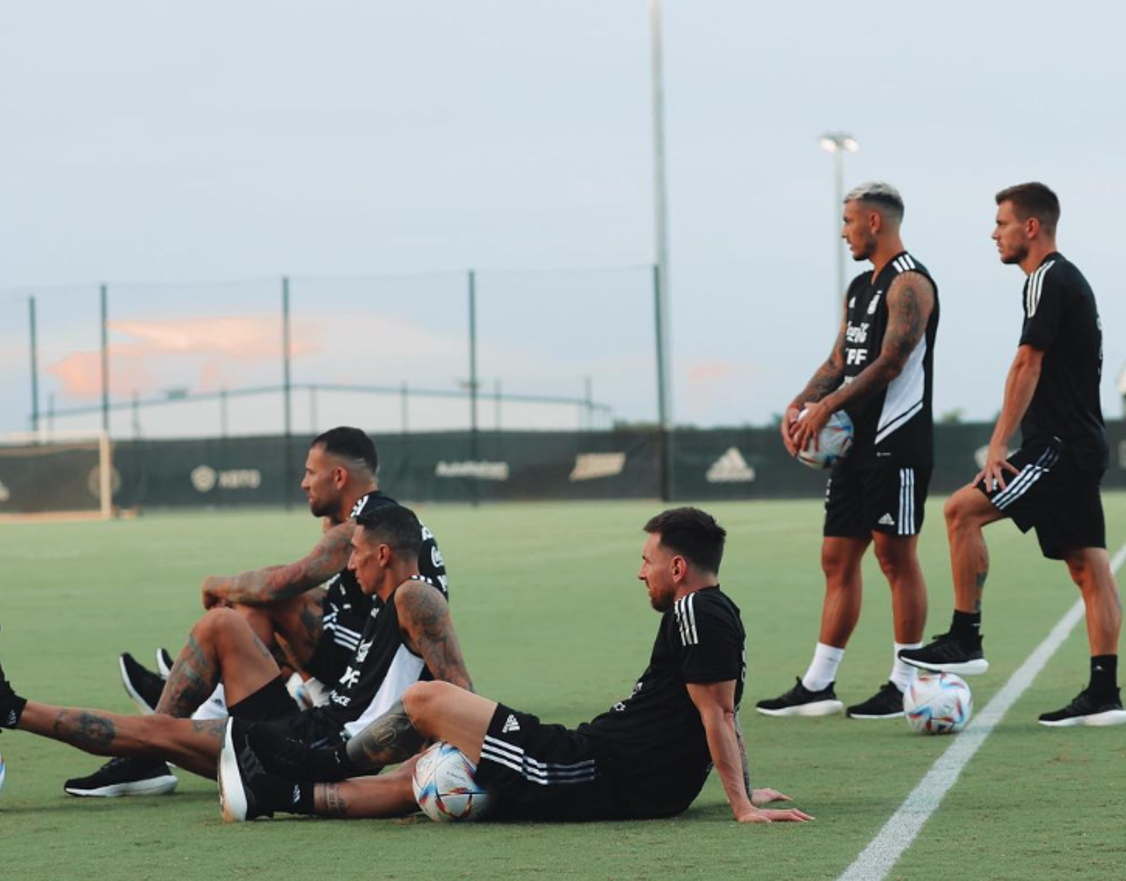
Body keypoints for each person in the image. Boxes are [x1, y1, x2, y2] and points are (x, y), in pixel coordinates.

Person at [218, 507, 813, 824]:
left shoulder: (696, 614)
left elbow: (717, 711)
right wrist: (745, 786)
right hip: (594, 761)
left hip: (593, 773)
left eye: (648, 561)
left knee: (430, 704)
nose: (641, 572)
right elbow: (717, 708)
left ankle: (310, 759)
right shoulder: (712, 612)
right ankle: (281, 794)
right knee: (422, 777)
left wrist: (741, 804)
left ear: (678, 567)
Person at [0, 504, 473, 787]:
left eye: (356, 555)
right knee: (222, 626)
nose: (350, 564)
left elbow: (461, 696)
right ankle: (146, 746)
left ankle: (6, 707)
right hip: (309, 726)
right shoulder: (387, 601)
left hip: (314, 750)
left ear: (383, 554)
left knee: (154, 732)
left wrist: (427, 775)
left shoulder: (415, 597)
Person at [63, 426, 449, 796]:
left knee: (269, 599)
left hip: (373, 676)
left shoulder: (363, 528)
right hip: (368, 662)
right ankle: (201, 700)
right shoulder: (380, 521)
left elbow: (282, 583)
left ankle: (184, 717)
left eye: (310, 472)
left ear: (339, 476)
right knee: (262, 606)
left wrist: (219, 584)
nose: (303, 482)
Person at [900, 182, 1125, 727]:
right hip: (1080, 442)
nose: (993, 232)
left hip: (1059, 446)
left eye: (1001, 222)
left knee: (960, 510)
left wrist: (1000, 443)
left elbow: (1028, 363)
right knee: (1088, 565)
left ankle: (964, 637)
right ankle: (1103, 694)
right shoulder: (1066, 280)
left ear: (1031, 227)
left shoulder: (1046, 278)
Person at [757, 182, 940, 720]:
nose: (843, 231)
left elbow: (891, 362)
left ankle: (904, 682)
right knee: (837, 558)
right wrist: (799, 404)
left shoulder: (912, 283)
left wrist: (826, 405)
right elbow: (841, 358)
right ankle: (819, 684)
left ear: (875, 223)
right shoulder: (861, 286)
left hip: (896, 443)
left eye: (849, 221)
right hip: (854, 448)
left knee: (894, 557)